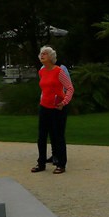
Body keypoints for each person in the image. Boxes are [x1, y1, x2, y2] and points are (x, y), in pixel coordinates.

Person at [31, 46, 73, 174]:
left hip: (57, 107)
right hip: (44, 106)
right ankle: (41, 163)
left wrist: (64, 102)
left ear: (51, 57)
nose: (42, 55)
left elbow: (70, 88)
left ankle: (61, 164)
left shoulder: (59, 71)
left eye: (45, 54)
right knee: (41, 136)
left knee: (58, 136)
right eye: (41, 54)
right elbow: (45, 89)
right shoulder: (42, 71)